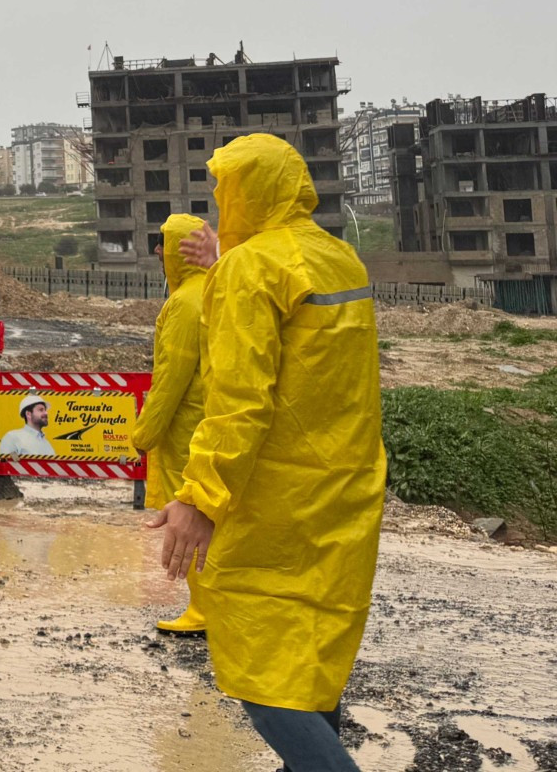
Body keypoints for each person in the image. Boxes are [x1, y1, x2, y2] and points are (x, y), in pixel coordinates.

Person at [146, 134, 383, 772]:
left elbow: (239, 402)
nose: (221, 204)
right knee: (311, 654)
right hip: (346, 488)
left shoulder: (248, 270)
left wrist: (199, 497)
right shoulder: (339, 258)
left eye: (224, 191)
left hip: (275, 501)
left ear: (246, 192)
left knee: (262, 673)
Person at [129, 212, 211, 634]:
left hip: (188, 430)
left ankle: (203, 609)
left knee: (189, 522)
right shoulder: (214, 291)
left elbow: (170, 380)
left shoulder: (183, 304)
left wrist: (144, 433)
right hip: (210, 424)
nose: (158, 252)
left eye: (162, 244)